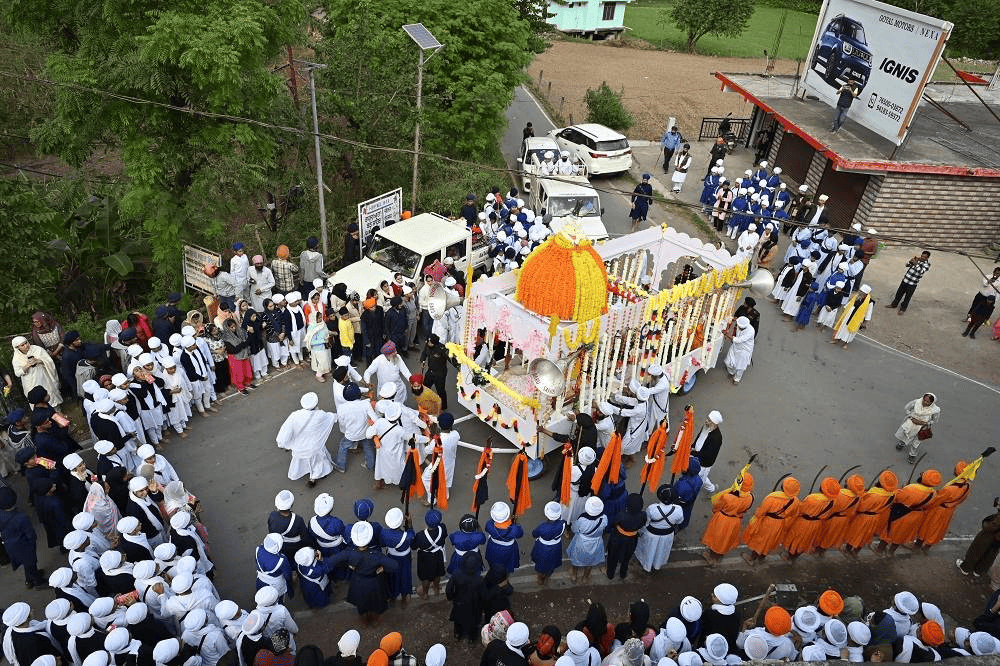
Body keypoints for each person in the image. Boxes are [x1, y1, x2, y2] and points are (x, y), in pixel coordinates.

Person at [329, 522, 398, 624]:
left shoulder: (350, 553)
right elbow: (394, 565)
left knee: (361, 604)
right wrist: (383, 568)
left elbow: (333, 560)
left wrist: (349, 565)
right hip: (374, 582)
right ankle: (375, 620)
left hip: (358, 581)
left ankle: (364, 621)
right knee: (376, 603)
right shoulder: (376, 555)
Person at [275, 392, 337, 487]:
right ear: (316, 404)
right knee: (317, 461)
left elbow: (285, 431)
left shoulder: (295, 415)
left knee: (301, 460)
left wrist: (283, 444)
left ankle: (306, 473)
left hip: (299, 447)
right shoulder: (320, 414)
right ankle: (313, 478)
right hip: (314, 446)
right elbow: (332, 417)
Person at [873, 469, 940, 556]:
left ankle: (879, 550)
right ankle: (891, 552)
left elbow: (898, 498)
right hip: (916, 516)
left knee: (889, 531)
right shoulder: (933, 493)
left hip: (902, 513)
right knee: (901, 534)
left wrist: (901, 490)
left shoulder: (912, 488)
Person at [742, 476, 800, 565]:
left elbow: (760, 512)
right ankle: (762, 558)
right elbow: (793, 515)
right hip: (780, 524)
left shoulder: (772, 498)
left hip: (767, 523)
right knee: (770, 541)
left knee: (760, 540)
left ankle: (752, 558)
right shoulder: (796, 502)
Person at [916, 460, 972, 552]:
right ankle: (926, 548)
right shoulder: (967, 485)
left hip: (938, 510)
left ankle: (917, 546)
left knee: (927, 526)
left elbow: (937, 499)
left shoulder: (950, 489)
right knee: (938, 529)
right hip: (949, 511)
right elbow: (961, 500)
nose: (954, 469)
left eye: (955, 468)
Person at [841, 470, 898, 557]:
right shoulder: (892, 495)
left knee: (855, 533)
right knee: (866, 535)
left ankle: (847, 549)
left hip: (864, 517)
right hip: (875, 518)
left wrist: (862, 495)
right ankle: (855, 552)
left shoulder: (875, 495)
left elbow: (862, 507)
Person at [781, 477, 840, 560]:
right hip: (817, 524)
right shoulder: (833, 501)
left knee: (796, 539)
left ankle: (790, 557)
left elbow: (800, 510)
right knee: (806, 541)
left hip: (804, 522)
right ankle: (795, 556)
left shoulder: (812, 498)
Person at [701, 472, 754, 564]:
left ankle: (712, 558)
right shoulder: (750, 498)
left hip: (723, 519)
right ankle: (719, 556)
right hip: (736, 521)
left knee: (717, 538)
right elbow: (745, 510)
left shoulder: (727, 497)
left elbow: (716, 507)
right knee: (726, 539)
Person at [0, 486, 47, 589]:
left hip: (10, 546)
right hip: (25, 545)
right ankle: (38, 582)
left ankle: (29, 580)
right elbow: (30, 534)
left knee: (27, 563)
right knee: (31, 562)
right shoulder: (21, 517)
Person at [635, 485, 683, 572]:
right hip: (667, 535)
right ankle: (657, 566)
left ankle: (647, 566)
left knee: (648, 550)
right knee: (661, 551)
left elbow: (647, 522)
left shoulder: (652, 508)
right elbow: (679, 522)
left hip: (652, 535)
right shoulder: (678, 509)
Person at [11, 337, 62, 409]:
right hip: (30, 382)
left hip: (44, 378)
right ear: (17, 347)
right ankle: (44, 417)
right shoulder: (16, 358)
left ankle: (57, 413)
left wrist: (38, 361)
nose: (26, 346)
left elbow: (49, 360)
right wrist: (27, 366)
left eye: (26, 343)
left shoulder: (37, 349)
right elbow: (18, 373)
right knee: (36, 398)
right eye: (22, 345)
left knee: (50, 394)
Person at [893, 393, 940, 464]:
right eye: (924, 400)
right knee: (905, 434)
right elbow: (907, 408)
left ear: (932, 402)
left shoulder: (935, 410)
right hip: (911, 424)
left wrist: (923, 423)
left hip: (922, 428)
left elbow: (934, 420)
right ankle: (902, 444)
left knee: (916, 443)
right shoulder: (916, 402)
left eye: (928, 402)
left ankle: (912, 455)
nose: (925, 402)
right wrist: (911, 417)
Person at [957, 501, 1000, 576]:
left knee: (975, 551)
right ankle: (979, 571)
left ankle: (965, 568)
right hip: (997, 541)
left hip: (989, 536)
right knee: (989, 555)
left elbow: (990, 527)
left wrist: (985, 523)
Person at [531, 502, 566, 585]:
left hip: (543, 547)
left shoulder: (542, 527)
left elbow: (534, 534)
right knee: (552, 562)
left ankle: (540, 578)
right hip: (556, 546)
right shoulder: (563, 524)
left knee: (541, 563)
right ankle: (547, 577)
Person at [692, 411, 723, 493]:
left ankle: (711, 489)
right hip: (696, 455)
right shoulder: (706, 426)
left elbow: (707, 455)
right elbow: (699, 436)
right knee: (700, 476)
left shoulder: (717, 438)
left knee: (699, 479)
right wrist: (693, 446)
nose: (706, 421)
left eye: (709, 420)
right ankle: (711, 488)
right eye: (707, 418)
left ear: (715, 424)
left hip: (704, 463)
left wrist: (693, 453)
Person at [723, 317, 754, 384]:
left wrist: (726, 334)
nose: (738, 327)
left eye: (740, 327)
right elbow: (734, 319)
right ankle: (731, 372)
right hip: (735, 346)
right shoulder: (740, 321)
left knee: (740, 366)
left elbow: (738, 340)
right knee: (728, 362)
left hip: (744, 349)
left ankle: (737, 378)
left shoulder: (750, 331)